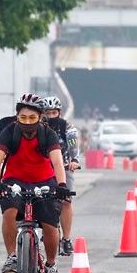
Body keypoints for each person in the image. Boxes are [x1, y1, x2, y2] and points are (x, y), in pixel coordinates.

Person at [0, 93, 69, 273]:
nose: (27, 122)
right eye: (23, 118)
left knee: (50, 225)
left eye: (32, 118)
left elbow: (57, 161)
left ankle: (51, 265)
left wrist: (62, 185)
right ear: (17, 117)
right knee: (9, 212)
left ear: (40, 117)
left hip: (44, 181)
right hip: (14, 181)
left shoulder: (47, 134)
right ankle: (12, 256)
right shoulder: (9, 132)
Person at [42, 96, 80, 256]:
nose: (51, 116)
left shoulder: (67, 127)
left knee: (66, 201)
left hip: (64, 167)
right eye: (48, 113)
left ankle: (66, 238)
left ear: (59, 112)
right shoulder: (38, 128)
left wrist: (74, 160)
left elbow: (73, 145)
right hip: (44, 169)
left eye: (54, 112)